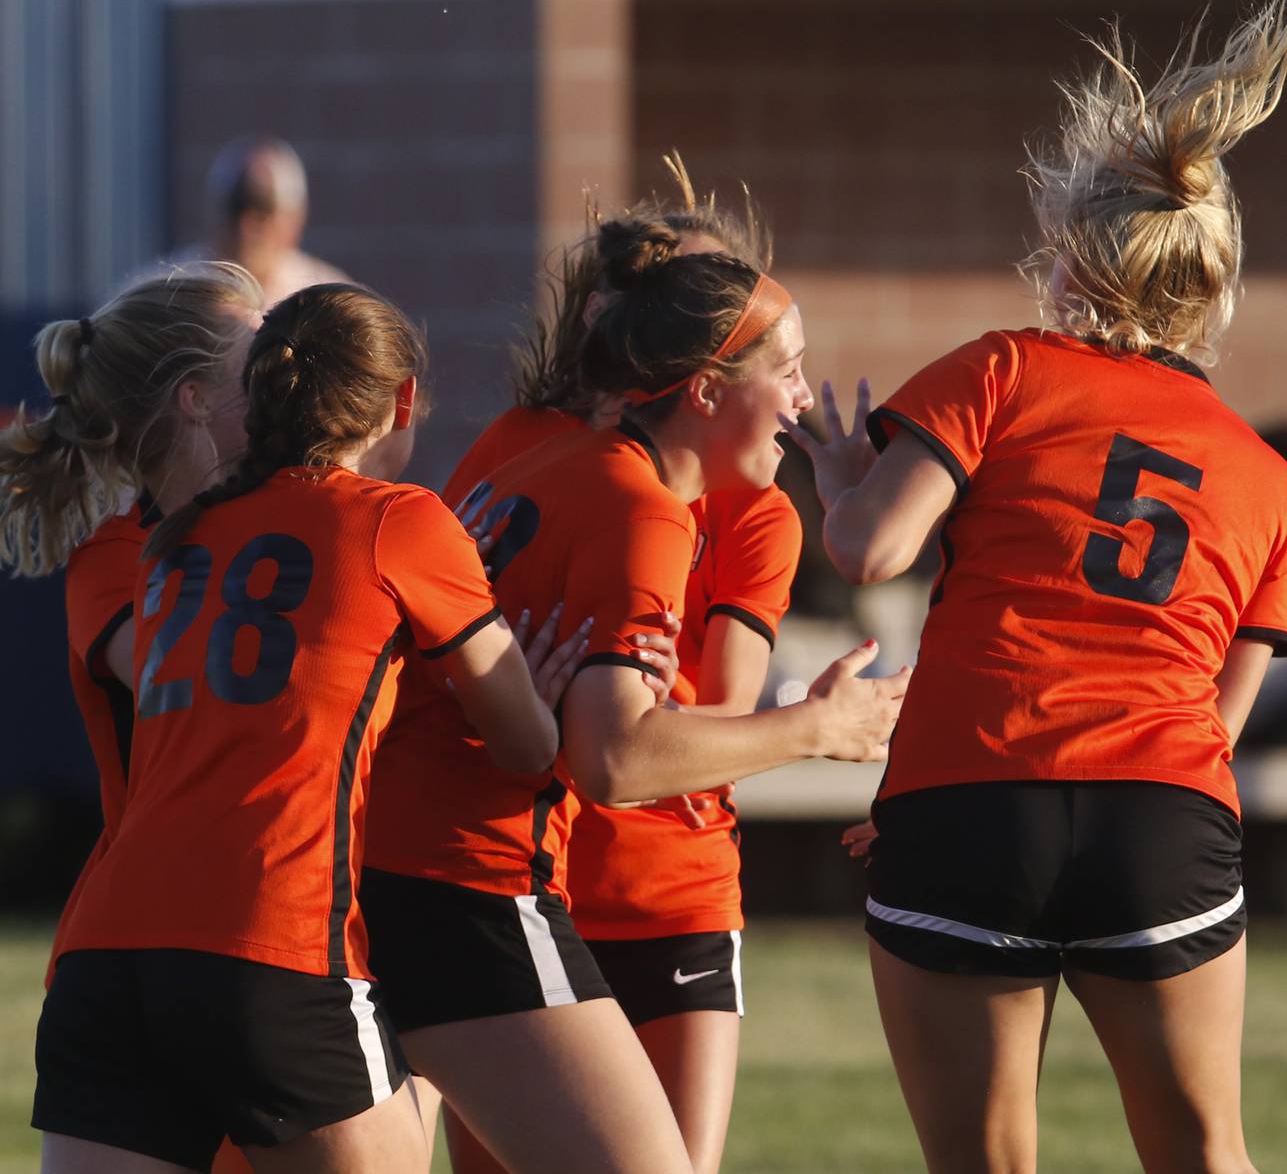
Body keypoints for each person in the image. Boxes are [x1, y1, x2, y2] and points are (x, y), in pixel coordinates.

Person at [783, 2, 1287, 1171]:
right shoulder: (1269, 476)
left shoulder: (1005, 368)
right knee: (1206, 1152)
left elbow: (871, 552)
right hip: (1162, 812)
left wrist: (837, 476)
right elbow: (1216, 724)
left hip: (973, 794)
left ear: (1075, 257)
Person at [360, 221, 908, 1174]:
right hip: (474, 879)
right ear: (700, 387)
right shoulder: (642, 503)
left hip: (403, 868)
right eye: (783, 369)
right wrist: (822, 723)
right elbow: (615, 759)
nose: (799, 398)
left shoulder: (535, 450)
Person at [30, 283, 584, 1174]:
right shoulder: (388, 519)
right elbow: (524, 746)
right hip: (268, 937)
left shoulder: (175, 544)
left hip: (114, 955)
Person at [438, 172, 800, 1174]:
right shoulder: (540, 454)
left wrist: (592, 705)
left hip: (671, 884)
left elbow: (716, 710)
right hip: (522, 870)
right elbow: (445, 638)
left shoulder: (749, 502)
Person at [0, 262, 264, 990]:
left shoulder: (280, 518)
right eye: (259, 364)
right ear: (195, 400)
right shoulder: (116, 554)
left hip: (255, 923)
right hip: (142, 942)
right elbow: (195, 674)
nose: (285, 381)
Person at [178, 137, 348, 307]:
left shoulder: (326, 301)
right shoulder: (175, 292)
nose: (245, 229)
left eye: (262, 213)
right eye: (235, 211)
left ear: (294, 220)